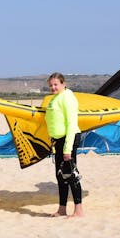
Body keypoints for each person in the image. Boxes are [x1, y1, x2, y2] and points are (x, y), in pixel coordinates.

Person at [44, 72, 84, 218]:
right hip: (58, 141)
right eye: (51, 85)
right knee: (60, 176)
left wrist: (68, 149)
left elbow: (72, 124)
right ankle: (62, 209)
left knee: (71, 174)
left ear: (63, 84)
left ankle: (78, 210)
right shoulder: (55, 98)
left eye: (56, 84)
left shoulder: (67, 97)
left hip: (69, 139)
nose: (53, 87)